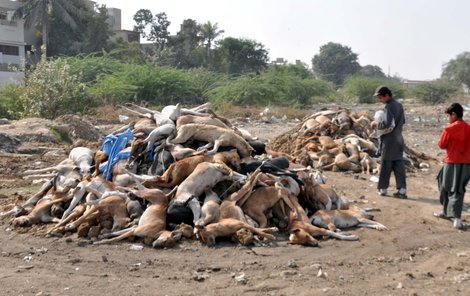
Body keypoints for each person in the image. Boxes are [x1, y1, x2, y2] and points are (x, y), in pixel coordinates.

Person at [434, 103, 470, 229]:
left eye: (448, 116)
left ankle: (454, 218)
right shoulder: (468, 128)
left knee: (444, 186)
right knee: (458, 189)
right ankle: (453, 217)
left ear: (454, 115)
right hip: (465, 163)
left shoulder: (449, 129)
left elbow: (442, 144)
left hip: (450, 162)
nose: (448, 118)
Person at [370, 86, 407, 198]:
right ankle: (402, 190)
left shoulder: (389, 106)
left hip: (389, 140)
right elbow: (403, 121)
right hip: (399, 139)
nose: (379, 100)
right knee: (399, 165)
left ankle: (383, 189)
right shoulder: (399, 105)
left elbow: (386, 123)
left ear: (386, 95)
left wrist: (376, 124)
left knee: (386, 164)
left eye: (380, 97)